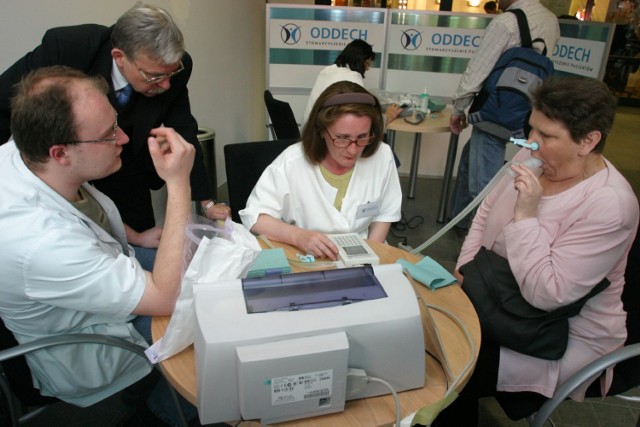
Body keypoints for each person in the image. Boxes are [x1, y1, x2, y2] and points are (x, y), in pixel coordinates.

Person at [433, 76, 639, 426]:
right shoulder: (535, 155)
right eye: (531, 129)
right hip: (496, 295)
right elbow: (484, 212)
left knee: (449, 367)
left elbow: (549, 294)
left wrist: (526, 215)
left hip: (558, 332)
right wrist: (466, 269)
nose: (530, 143)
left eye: (547, 136)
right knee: (434, 336)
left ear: (589, 141)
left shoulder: (610, 205)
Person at [0, 66, 197, 425]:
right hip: (93, 343)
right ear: (60, 153)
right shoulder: (42, 243)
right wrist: (179, 183)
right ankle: (164, 412)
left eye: (116, 122)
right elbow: (163, 297)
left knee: (200, 276)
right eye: (108, 135)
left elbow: (82, 212)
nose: (123, 138)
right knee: (204, 336)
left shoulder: (25, 149)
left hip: (95, 278)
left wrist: (135, 238)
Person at [0, 3, 230, 266]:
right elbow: (5, 104)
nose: (166, 85)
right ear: (119, 56)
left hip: (128, 170)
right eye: (154, 77)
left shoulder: (175, 67)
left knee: (138, 250)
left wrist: (205, 200)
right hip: (65, 170)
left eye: (170, 75)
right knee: (79, 255)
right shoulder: (69, 47)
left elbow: (184, 129)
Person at [240, 81, 402, 260]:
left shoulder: (382, 155)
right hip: (306, 255)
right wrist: (299, 236)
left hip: (363, 252)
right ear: (321, 131)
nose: (353, 150)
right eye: (342, 138)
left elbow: (385, 212)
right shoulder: (292, 162)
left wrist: (371, 256)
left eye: (362, 137)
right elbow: (255, 218)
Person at [448, 0, 560, 230]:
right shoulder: (551, 20)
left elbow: (477, 71)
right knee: (471, 161)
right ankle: (459, 221)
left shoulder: (506, 23)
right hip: (526, 109)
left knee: (482, 185)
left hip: (494, 111)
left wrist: (459, 108)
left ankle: (481, 240)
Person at [302, 39, 403, 127]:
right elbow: (363, 117)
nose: (368, 68)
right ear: (360, 60)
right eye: (367, 63)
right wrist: (388, 116)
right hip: (325, 137)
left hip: (308, 134)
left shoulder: (327, 71)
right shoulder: (352, 77)